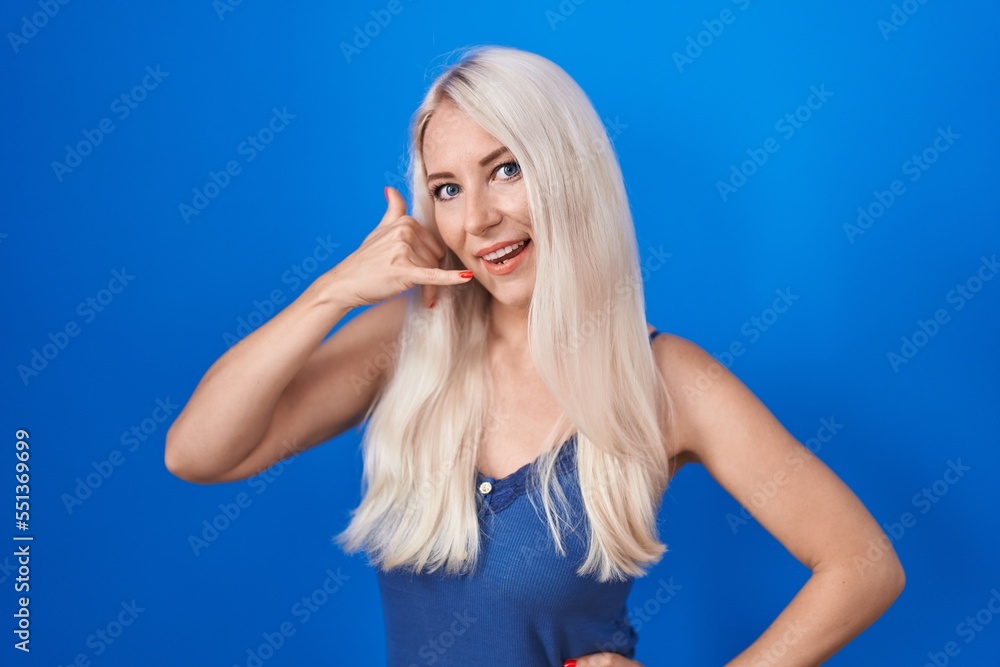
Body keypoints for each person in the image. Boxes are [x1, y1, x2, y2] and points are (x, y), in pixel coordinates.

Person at [165, 46, 904, 666]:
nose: (479, 218)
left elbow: (863, 566)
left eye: (507, 169)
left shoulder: (668, 381)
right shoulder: (408, 336)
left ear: (568, 169)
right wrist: (334, 291)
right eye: (448, 188)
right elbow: (198, 452)